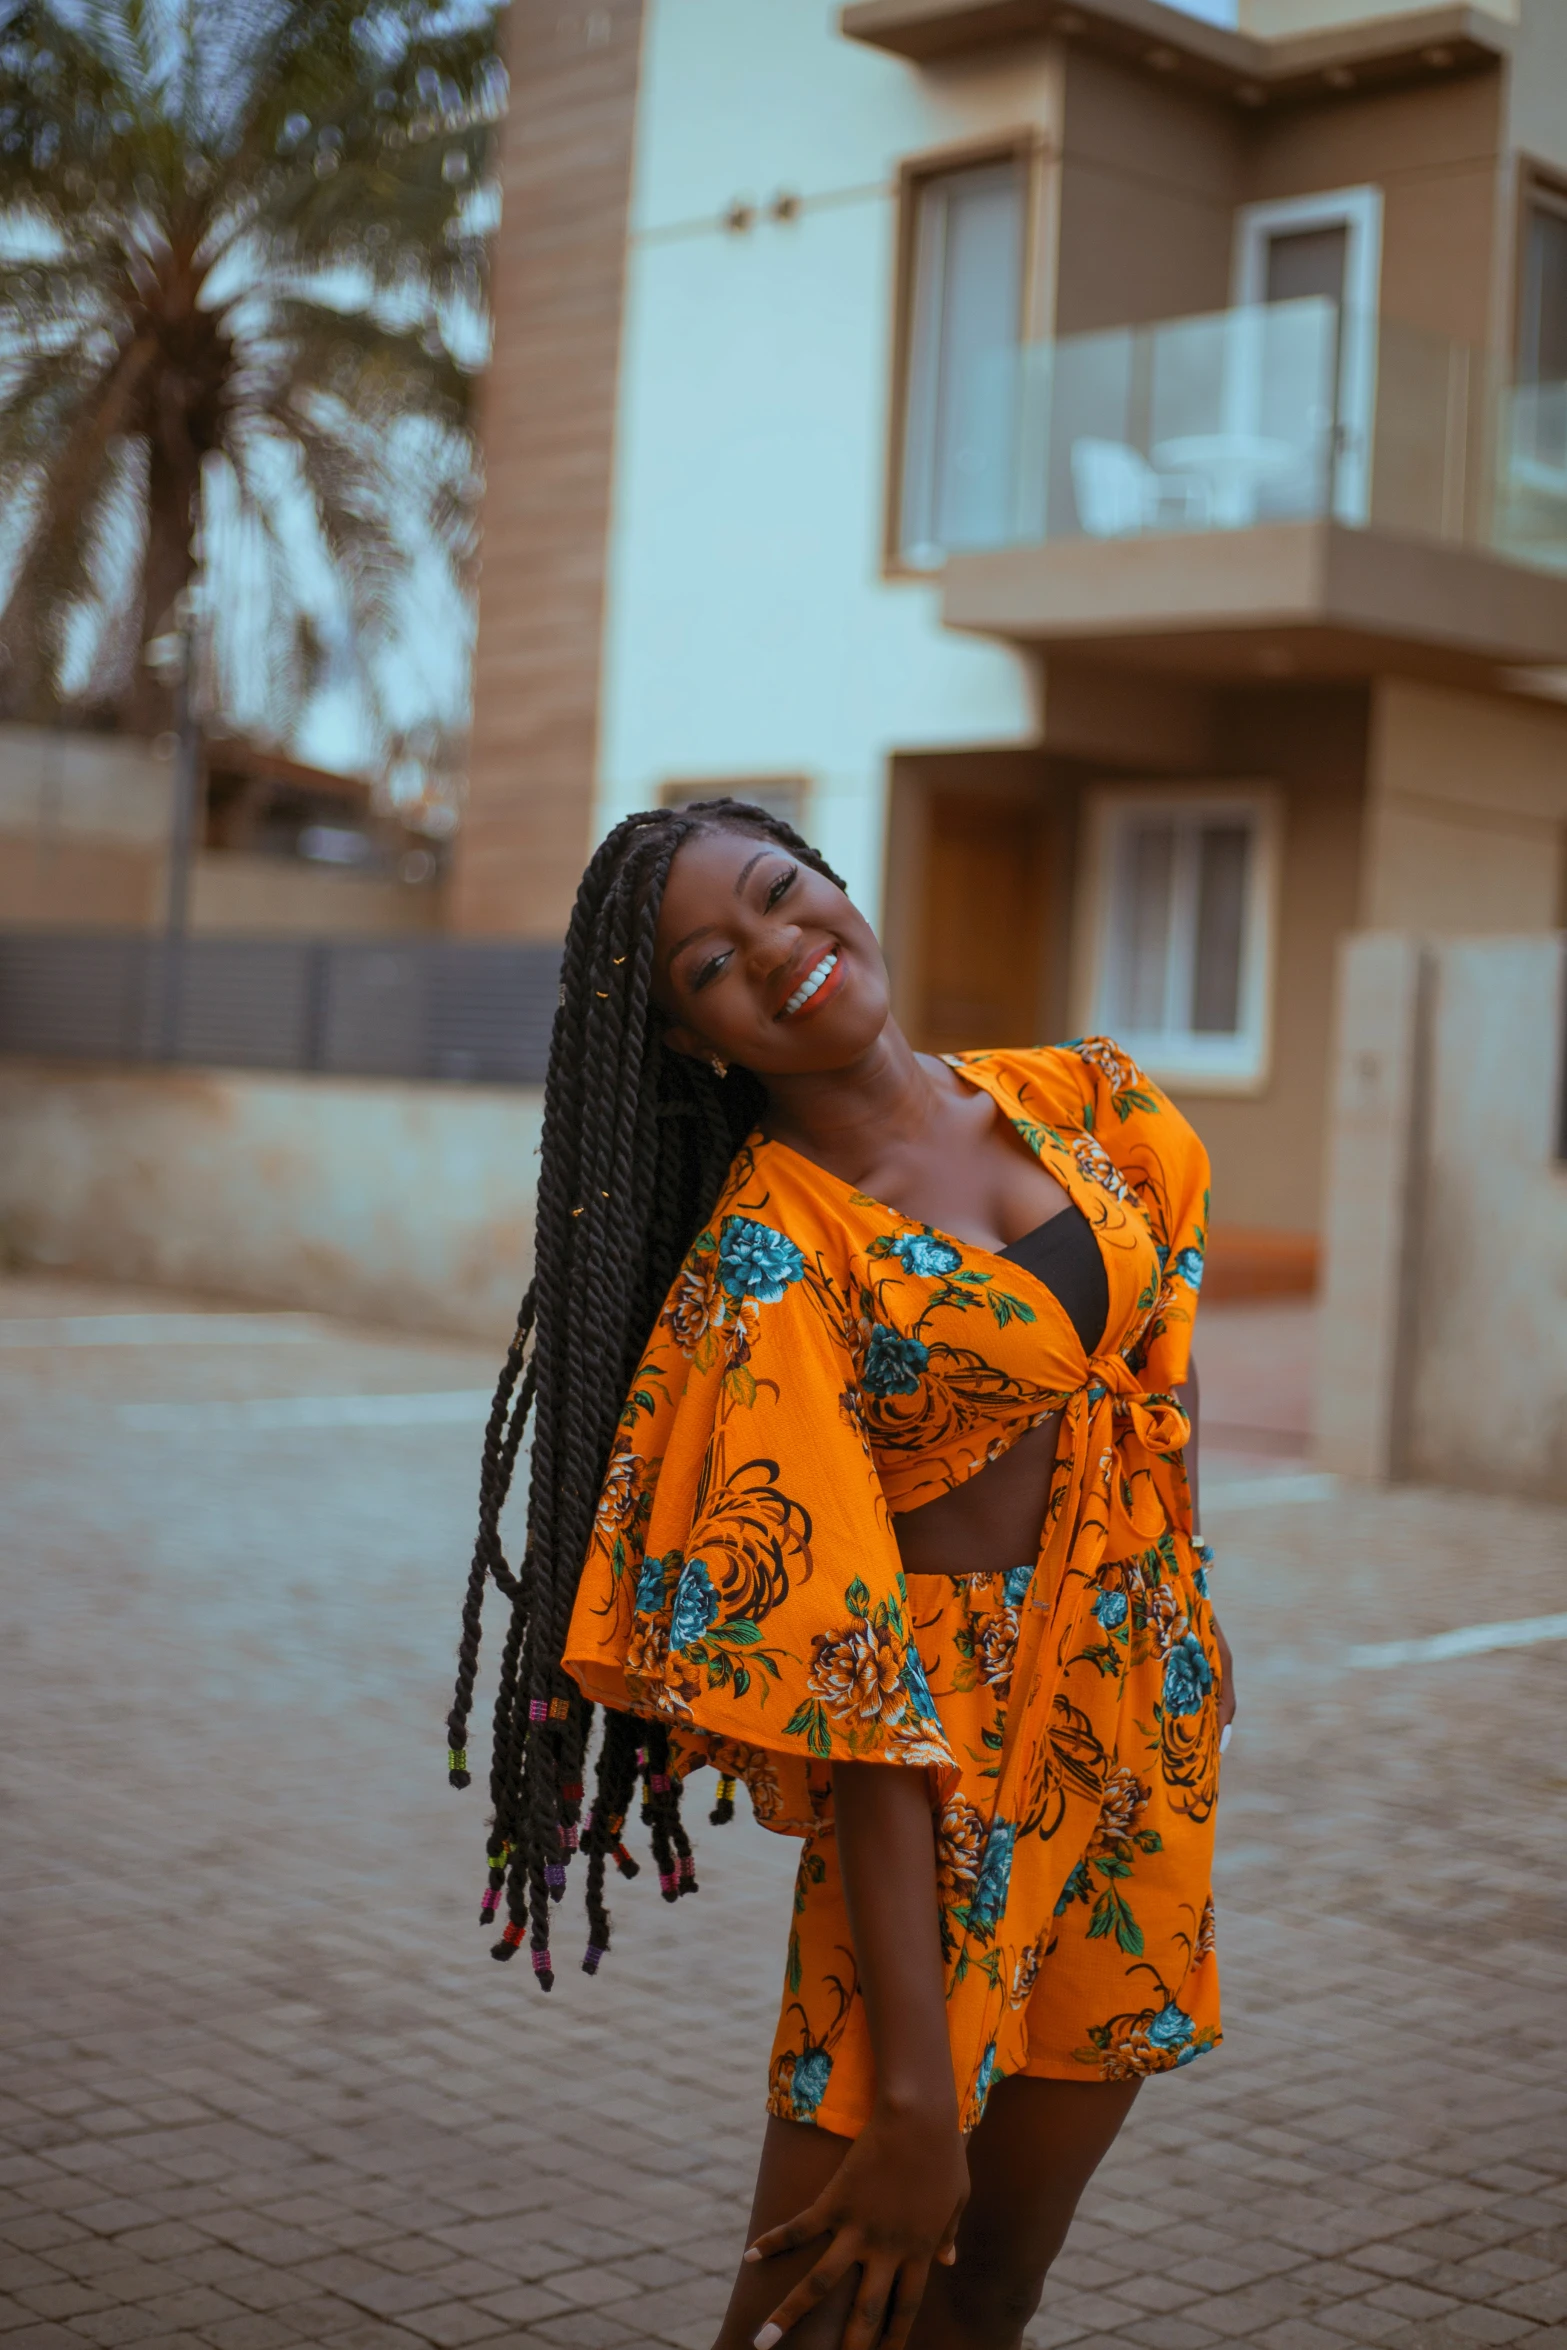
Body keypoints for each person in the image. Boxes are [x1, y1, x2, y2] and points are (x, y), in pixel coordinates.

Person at [447, 798, 1235, 2350]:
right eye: (714, 965)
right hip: (934, 1802)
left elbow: (1159, 1327)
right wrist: (912, 2091)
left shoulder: (1073, 1098)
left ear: (831, 879)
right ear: (690, 1041)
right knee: (816, 2313)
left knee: (995, 2283)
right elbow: (848, 1689)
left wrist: (1180, 1583)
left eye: (779, 894)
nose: (780, 952)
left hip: (1139, 1742)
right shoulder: (771, 1273)